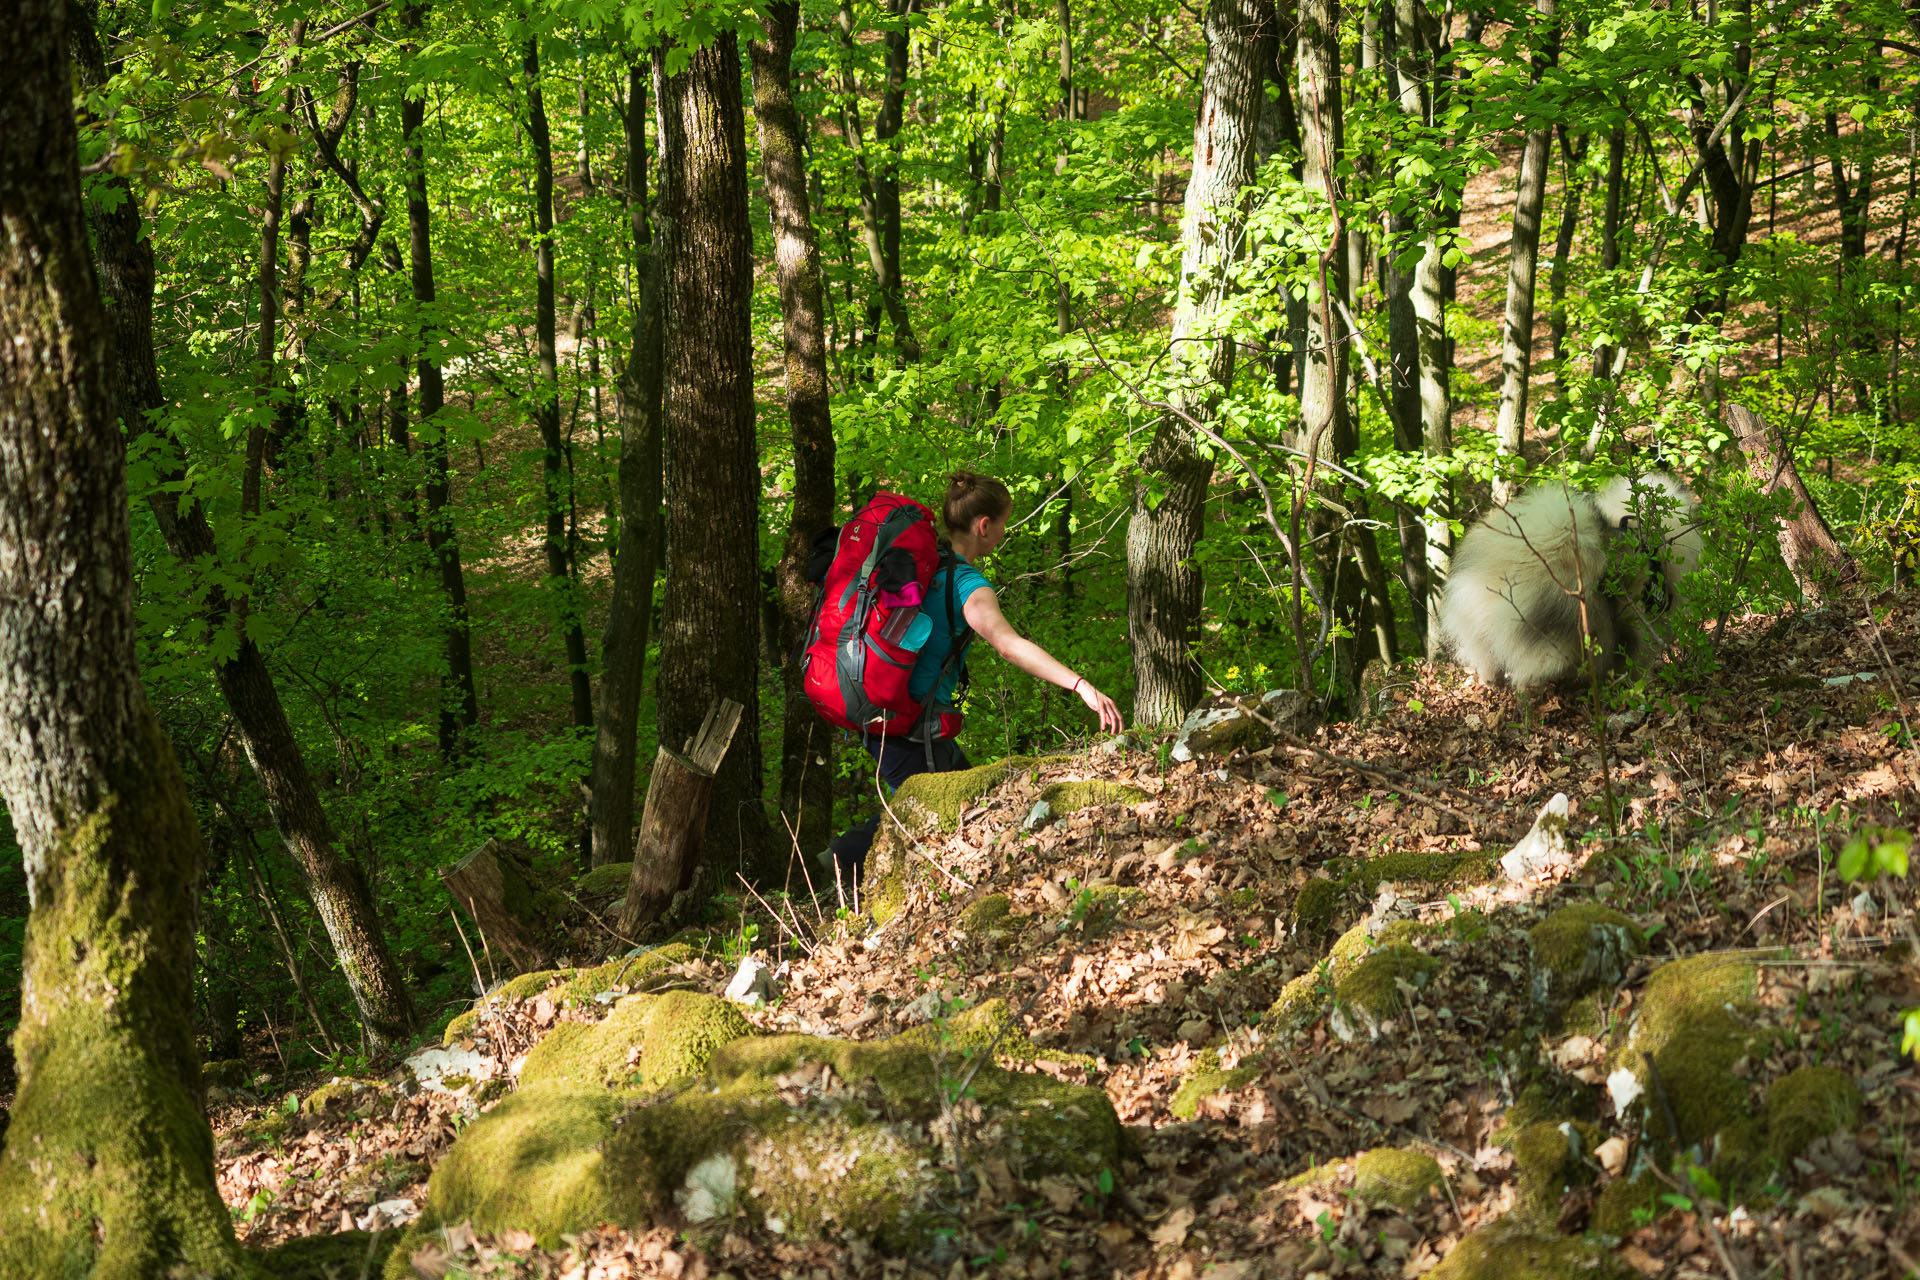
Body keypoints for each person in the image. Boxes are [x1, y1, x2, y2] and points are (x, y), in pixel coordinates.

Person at [828, 471, 1124, 903]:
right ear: (984, 526)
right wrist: (1078, 685)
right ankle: (839, 866)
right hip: (911, 730)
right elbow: (1008, 645)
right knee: (932, 817)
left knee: (972, 801)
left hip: (878, 708)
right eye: (1003, 523)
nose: (1004, 532)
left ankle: (849, 872)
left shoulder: (917, 569)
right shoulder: (967, 585)